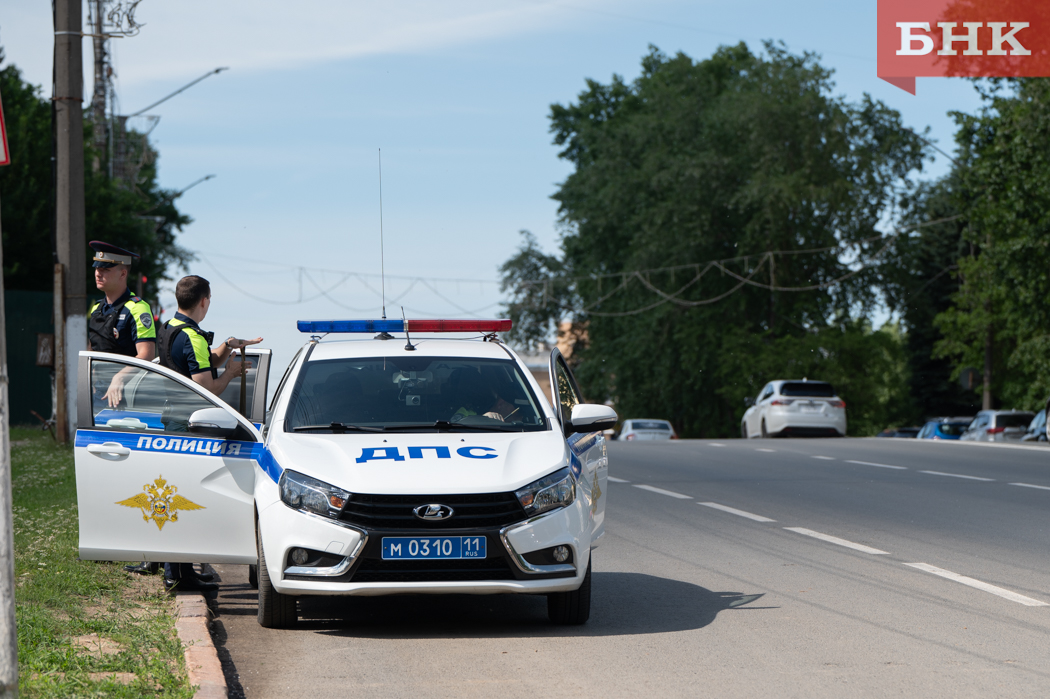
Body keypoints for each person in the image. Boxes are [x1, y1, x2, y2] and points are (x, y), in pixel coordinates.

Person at [157, 275, 262, 592]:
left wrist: (228, 347)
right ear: (204, 300)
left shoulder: (170, 328)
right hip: (190, 427)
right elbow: (205, 389)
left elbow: (199, 361)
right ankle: (177, 574)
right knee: (184, 497)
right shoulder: (193, 337)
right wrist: (230, 373)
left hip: (172, 422)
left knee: (177, 495)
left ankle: (180, 570)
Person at [87, 241, 156, 408]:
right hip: (98, 394)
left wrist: (119, 378)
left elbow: (147, 355)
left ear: (123, 274)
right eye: (97, 268)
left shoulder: (138, 308)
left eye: (105, 269)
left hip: (125, 395)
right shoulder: (97, 308)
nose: (98, 273)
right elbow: (92, 348)